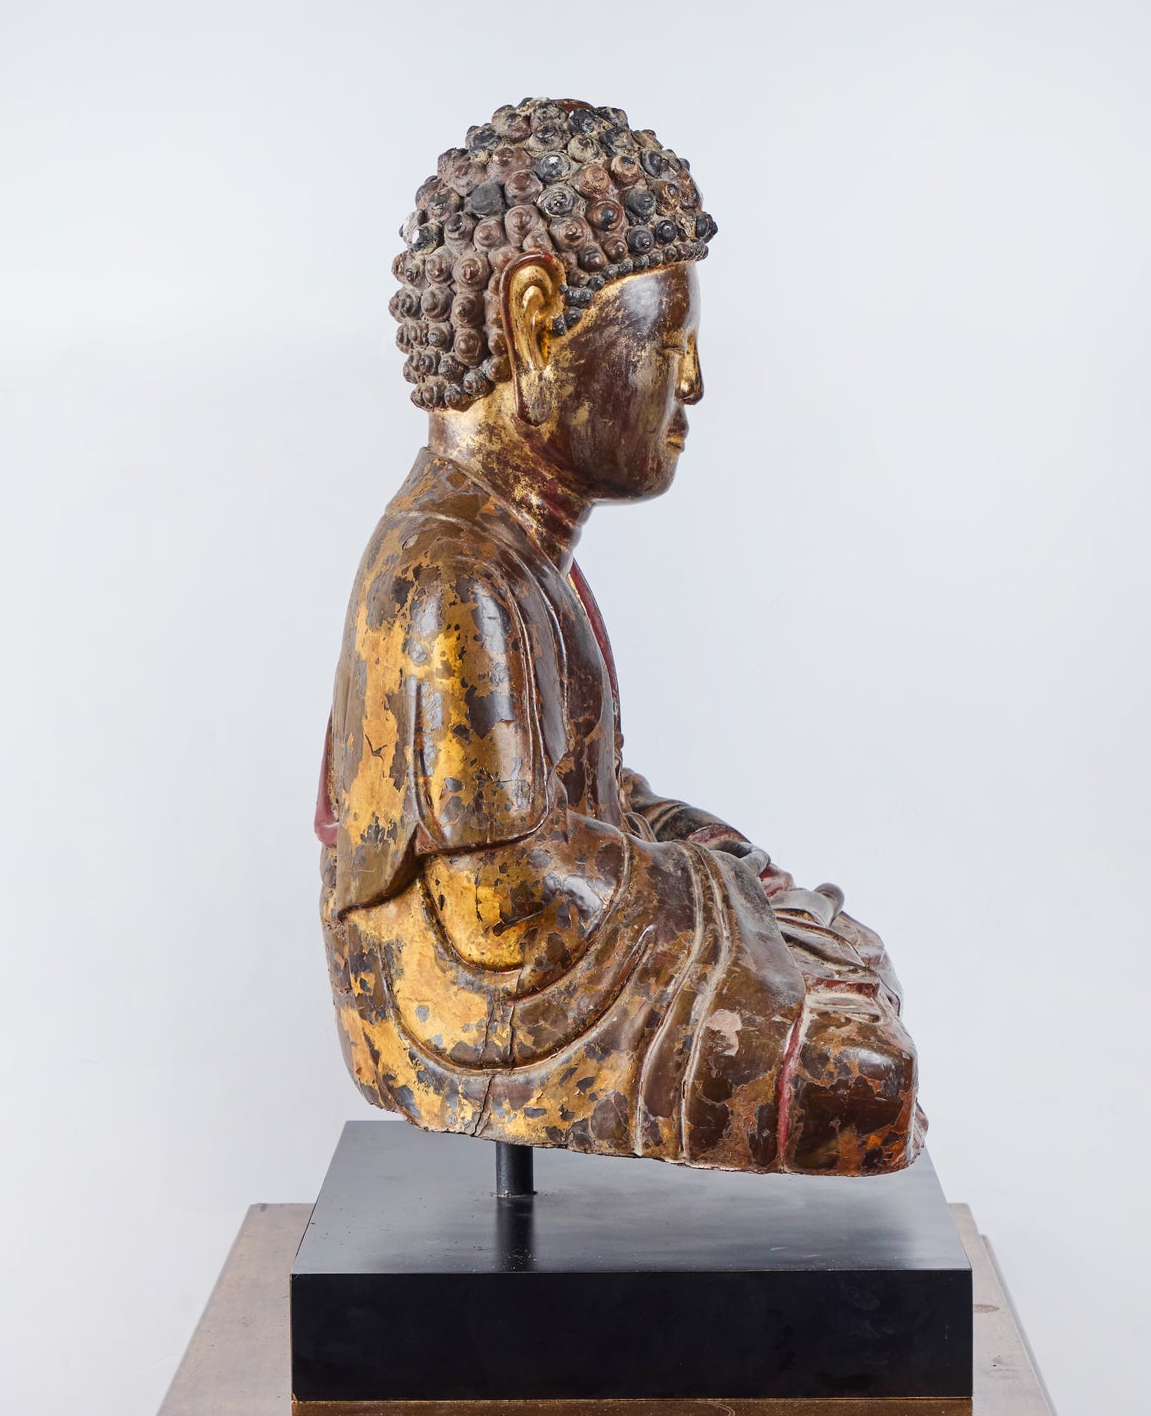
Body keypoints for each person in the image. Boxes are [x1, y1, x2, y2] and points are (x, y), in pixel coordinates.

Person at [316, 98, 925, 1174]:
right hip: (485, 1004)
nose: (691, 384)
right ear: (535, 322)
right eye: (667, 344)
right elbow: (511, 908)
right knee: (858, 1072)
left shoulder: (518, 559)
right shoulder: (451, 581)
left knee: (843, 954)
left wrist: (712, 850)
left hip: (564, 950)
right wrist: (719, 897)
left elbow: (585, 796)